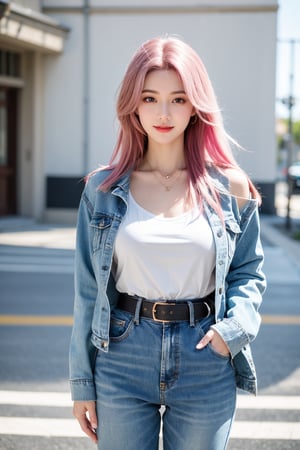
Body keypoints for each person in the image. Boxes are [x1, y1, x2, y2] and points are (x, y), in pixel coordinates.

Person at [69, 36, 266, 450]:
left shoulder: (230, 187)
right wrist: (81, 381)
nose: (163, 113)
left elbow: (249, 272)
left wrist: (231, 333)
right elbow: (88, 291)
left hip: (204, 354)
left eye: (178, 99)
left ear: (195, 106)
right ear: (133, 105)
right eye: (150, 97)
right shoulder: (102, 190)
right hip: (123, 354)